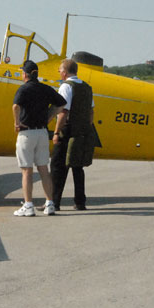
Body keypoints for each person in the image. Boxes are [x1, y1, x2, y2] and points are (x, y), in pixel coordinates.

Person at [12, 60, 66, 217]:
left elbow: (16, 107)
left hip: (26, 133)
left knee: (26, 170)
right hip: (42, 132)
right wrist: (49, 117)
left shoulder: (23, 89)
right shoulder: (45, 89)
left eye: (22, 72)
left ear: (26, 74)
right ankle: (50, 203)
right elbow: (61, 104)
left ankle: (28, 205)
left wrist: (17, 123)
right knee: (43, 168)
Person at [51, 59, 96, 211]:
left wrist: (56, 132)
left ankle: (54, 202)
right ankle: (80, 202)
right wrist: (85, 127)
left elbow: (63, 112)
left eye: (60, 71)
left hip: (68, 131)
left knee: (58, 167)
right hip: (82, 132)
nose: (59, 73)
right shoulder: (87, 87)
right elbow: (91, 112)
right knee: (78, 167)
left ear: (64, 72)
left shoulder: (66, 87)